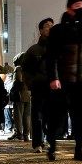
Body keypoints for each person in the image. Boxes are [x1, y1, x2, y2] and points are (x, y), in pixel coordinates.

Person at [46, 0, 82, 161]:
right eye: (77, 6)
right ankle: (52, 147)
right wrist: (53, 78)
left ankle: (79, 150)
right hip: (62, 82)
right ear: (69, 8)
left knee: (79, 118)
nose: (81, 10)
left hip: (81, 82)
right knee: (57, 117)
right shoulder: (58, 30)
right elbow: (51, 57)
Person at [23, 17, 54, 153]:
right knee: (37, 117)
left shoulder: (56, 50)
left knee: (50, 116)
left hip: (53, 89)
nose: (50, 28)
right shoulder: (33, 50)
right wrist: (31, 84)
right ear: (41, 30)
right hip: (38, 88)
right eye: (47, 26)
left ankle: (49, 141)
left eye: (52, 26)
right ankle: (37, 143)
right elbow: (25, 70)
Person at [9, 53, 31, 141]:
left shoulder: (18, 68)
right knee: (27, 116)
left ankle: (19, 134)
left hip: (20, 95)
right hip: (28, 95)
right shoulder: (30, 68)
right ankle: (26, 135)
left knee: (18, 116)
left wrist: (13, 89)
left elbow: (18, 80)